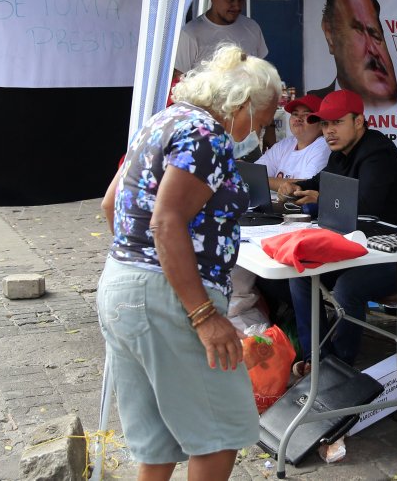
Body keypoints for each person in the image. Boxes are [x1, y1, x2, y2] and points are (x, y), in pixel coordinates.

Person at [97, 45, 280, 481]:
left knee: (157, 443)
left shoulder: (163, 121)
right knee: (221, 433)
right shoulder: (206, 136)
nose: (260, 133)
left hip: (122, 285)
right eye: (263, 121)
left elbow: (111, 203)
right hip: (171, 297)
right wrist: (202, 314)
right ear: (241, 105)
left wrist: (139, 265)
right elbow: (166, 222)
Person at [277, 89, 397, 367]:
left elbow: (367, 207)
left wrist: (321, 198)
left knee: (348, 287)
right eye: (325, 124)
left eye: (337, 122)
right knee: (300, 273)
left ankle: (340, 366)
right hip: (363, 248)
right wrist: (295, 186)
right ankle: (317, 360)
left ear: (359, 121)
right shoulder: (340, 153)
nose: (329, 131)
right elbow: (320, 181)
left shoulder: (378, 151)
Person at [173, 0, 267, 79]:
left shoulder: (252, 27)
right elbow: (179, 82)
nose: (237, 6)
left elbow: (260, 73)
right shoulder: (190, 34)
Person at [255, 94, 330, 190]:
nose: (298, 118)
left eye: (306, 114)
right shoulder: (286, 143)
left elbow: (305, 186)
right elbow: (255, 172)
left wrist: (262, 180)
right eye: (295, 114)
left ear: (322, 124)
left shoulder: (324, 146)